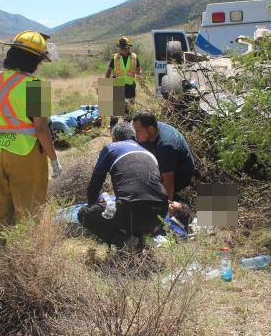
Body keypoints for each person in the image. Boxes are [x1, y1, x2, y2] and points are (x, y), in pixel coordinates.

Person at [0, 30, 61, 240]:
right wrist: (54, 159)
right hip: (25, 154)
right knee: (29, 211)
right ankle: (25, 263)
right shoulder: (36, 86)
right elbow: (41, 129)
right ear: (34, 60)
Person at [78, 122, 169, 250]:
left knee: (84, 214)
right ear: (134, 137)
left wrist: (92, 207)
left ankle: (124, 240)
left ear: (114, 138)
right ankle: (138, 239)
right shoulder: (148, 153)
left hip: (131, 212)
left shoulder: (111, 148)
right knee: (130, 208)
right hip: (159, 215)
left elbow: (96, 183)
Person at [131, 111, 195, 200]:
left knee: (156, 195)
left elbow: (169, 183)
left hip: (180, 174)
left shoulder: (166, 146)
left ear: (150, 129)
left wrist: (167, 206)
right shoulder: (151, 130)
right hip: (164, 162)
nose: (136, 136)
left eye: (138, 131)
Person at [104, 36, 141, 120]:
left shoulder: (134, 57)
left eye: (125, 47)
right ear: (119, 48)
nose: (123, 49)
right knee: (115, 110)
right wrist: (106, 85)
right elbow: (109, 70)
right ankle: (113, 127)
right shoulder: (115, 58)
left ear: (128, 47)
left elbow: (138, 68)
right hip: (118, 84)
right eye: (121, 47)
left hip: (130, 86)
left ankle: (127, 126)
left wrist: (138, 74)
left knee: (129, 109)